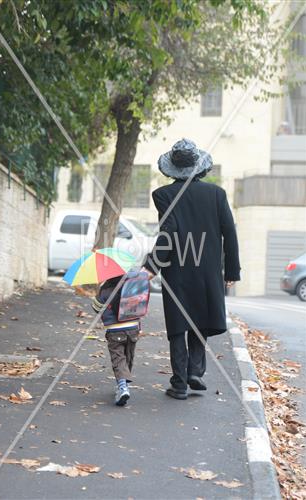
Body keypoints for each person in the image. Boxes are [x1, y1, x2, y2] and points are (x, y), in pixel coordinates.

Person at [143, 138, 241, 400]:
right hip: (208, 269)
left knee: (178, 324)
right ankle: (195, 370)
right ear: (199, 167)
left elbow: (169, 233)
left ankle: (179, 383)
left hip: (177, 269)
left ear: (173, 168)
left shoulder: (163, 195)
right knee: (200, 319)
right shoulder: (217, 195)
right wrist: (232, 271)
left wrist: (151, 266)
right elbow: (229, 233)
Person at [92, 271, 149, 406]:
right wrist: (139, 326)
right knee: (128, 356)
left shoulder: (105, 290)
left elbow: (96, 308)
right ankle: (124, 382)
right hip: (133, 328)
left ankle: (123, 387)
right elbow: (138, 308)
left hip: (115, 330)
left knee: (118, 358)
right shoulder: (131, 287)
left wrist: (98, 290)